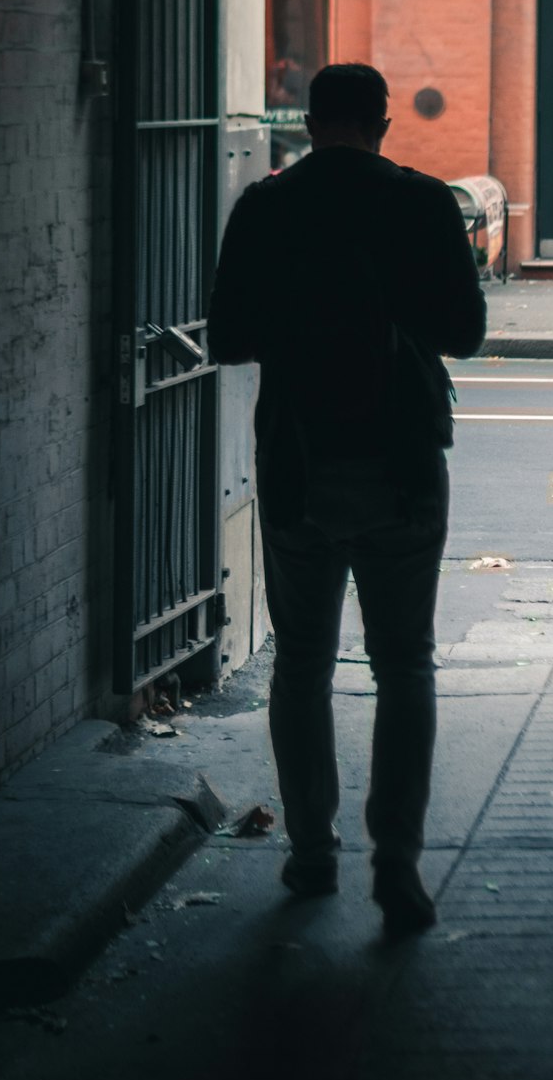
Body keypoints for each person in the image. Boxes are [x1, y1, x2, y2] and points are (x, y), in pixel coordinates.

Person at [208, 63, 487, 934]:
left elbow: (229, 337)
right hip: (402, 462)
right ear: (382, 122)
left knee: (302, 663)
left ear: (309, 121)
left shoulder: (268, 206)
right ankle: (396, 861)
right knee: (404, 664)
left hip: (299, 463)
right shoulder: (422, 202)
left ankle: (311, 852)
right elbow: (466, 335)